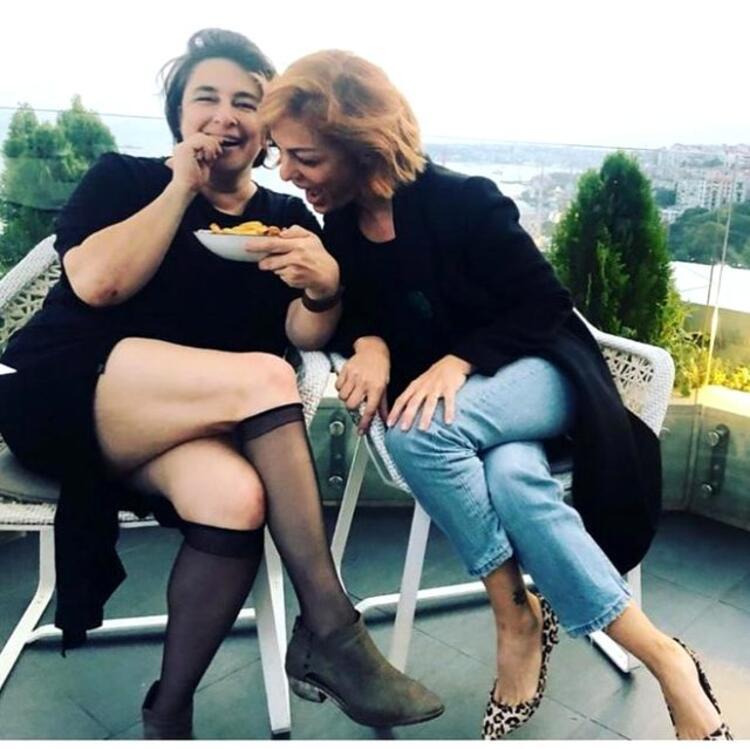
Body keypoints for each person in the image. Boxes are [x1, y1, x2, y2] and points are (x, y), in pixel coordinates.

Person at [258, 50, 734, 741]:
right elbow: (368, 308)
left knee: (419, 431)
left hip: (544, 372)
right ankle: (668, 659)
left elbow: (547, 304)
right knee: (513, 480)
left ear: (363, 143)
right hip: (486, 416)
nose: (287, 173)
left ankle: (514, 618)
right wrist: (372, 345)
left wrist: (459, 362)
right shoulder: (344, 226)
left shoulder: (464, 201)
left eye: (305, 157)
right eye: (283, 155)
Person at [0, 31, 443, 739]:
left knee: (238, 499)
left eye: (246, 102)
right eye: (206, 97)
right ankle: (331, 627)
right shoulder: (124, 179)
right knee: (264, 375)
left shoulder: (287, 219)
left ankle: (169, 709)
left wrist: (324, 289)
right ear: (180, 113)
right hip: (64, 393)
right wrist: (182, 185)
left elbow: (303, 336)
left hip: (184, 424)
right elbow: (97, 283)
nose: (225, 116)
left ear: (269, 129)